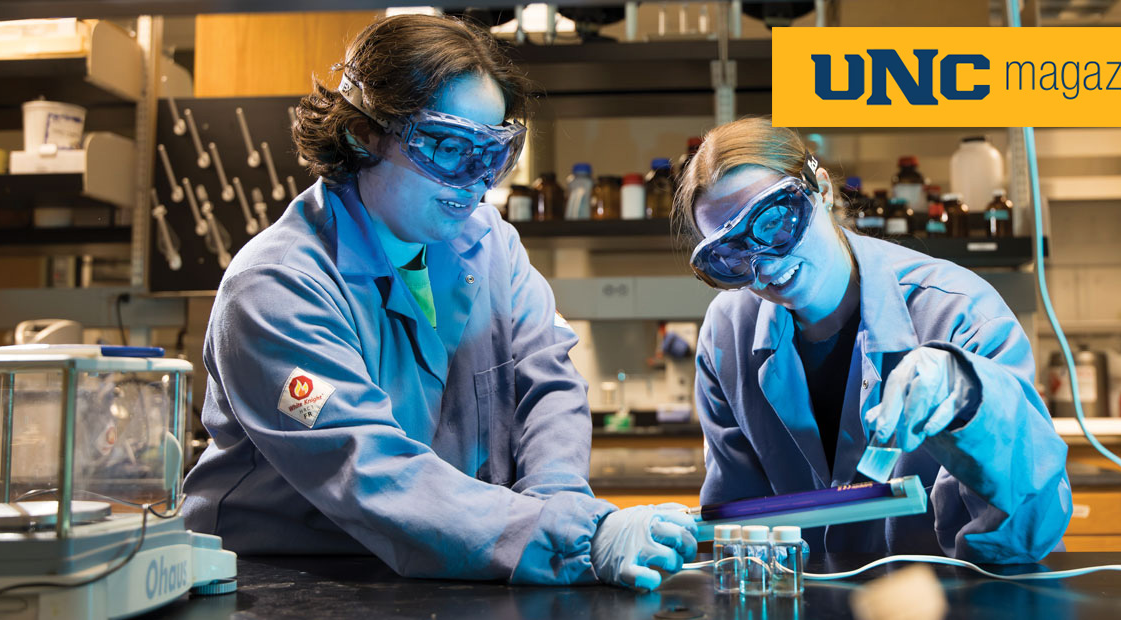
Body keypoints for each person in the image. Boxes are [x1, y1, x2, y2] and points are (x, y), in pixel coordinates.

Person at [182, 15, 695, 590]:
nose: (477, 182)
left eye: (493, 153)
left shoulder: (491, 243)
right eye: (450, 148)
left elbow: (547, 384)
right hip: (283, 579)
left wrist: (561, 510)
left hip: (454, 565)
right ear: (364, 133)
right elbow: (366, 467)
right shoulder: (277, 285)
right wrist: (565, 537)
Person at [674, 118, 1071, 563]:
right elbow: (737, 528)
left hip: (950, 595)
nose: (763, 266)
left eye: (774, 223)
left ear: (822, 190)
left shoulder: (960, 312)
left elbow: (1030, 528)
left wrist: (975, 410)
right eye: (730, 254)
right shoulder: (727, 333)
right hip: (805, 596)